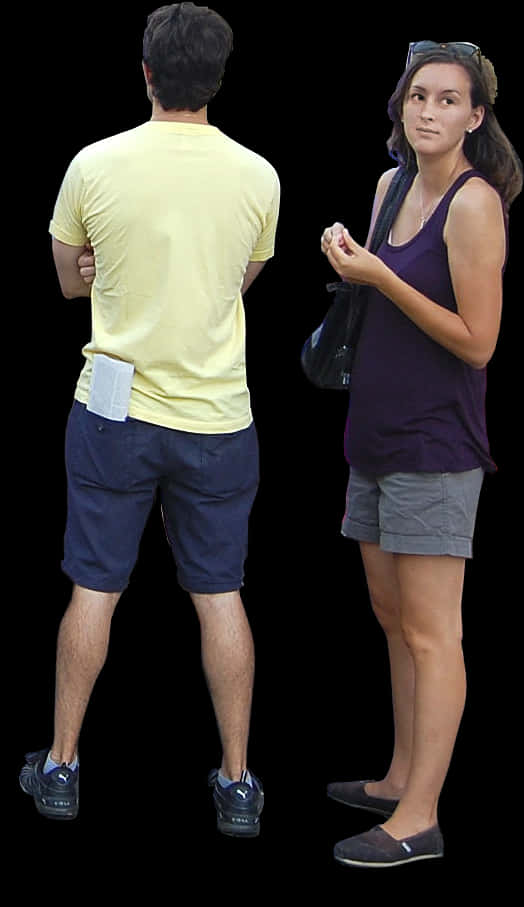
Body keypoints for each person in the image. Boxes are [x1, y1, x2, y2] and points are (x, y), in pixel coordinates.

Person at [19, 2, 280, 837]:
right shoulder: (259, 175)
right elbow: (238, 280)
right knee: (221, 594)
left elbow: (67, 281)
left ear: (146, 72)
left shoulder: (94, 164)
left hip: (113, 410)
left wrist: (107, 270)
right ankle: (238, 783)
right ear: (218, 78)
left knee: (93, 585)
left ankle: (61, 765)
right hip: (217, 417)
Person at [320, 41, 521, 868]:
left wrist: (381, 278)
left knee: (436, 632)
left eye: (448, 100)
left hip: (437, 443)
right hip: (374, 429)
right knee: (392, 616)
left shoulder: (475, 206)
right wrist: (351, 267)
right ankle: (400, 774)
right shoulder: (389, 185)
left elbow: (479, 343)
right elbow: (375, 298)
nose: (429, 111)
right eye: (417, 97)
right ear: (401, 107)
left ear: (476, 117)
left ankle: (422, 818)